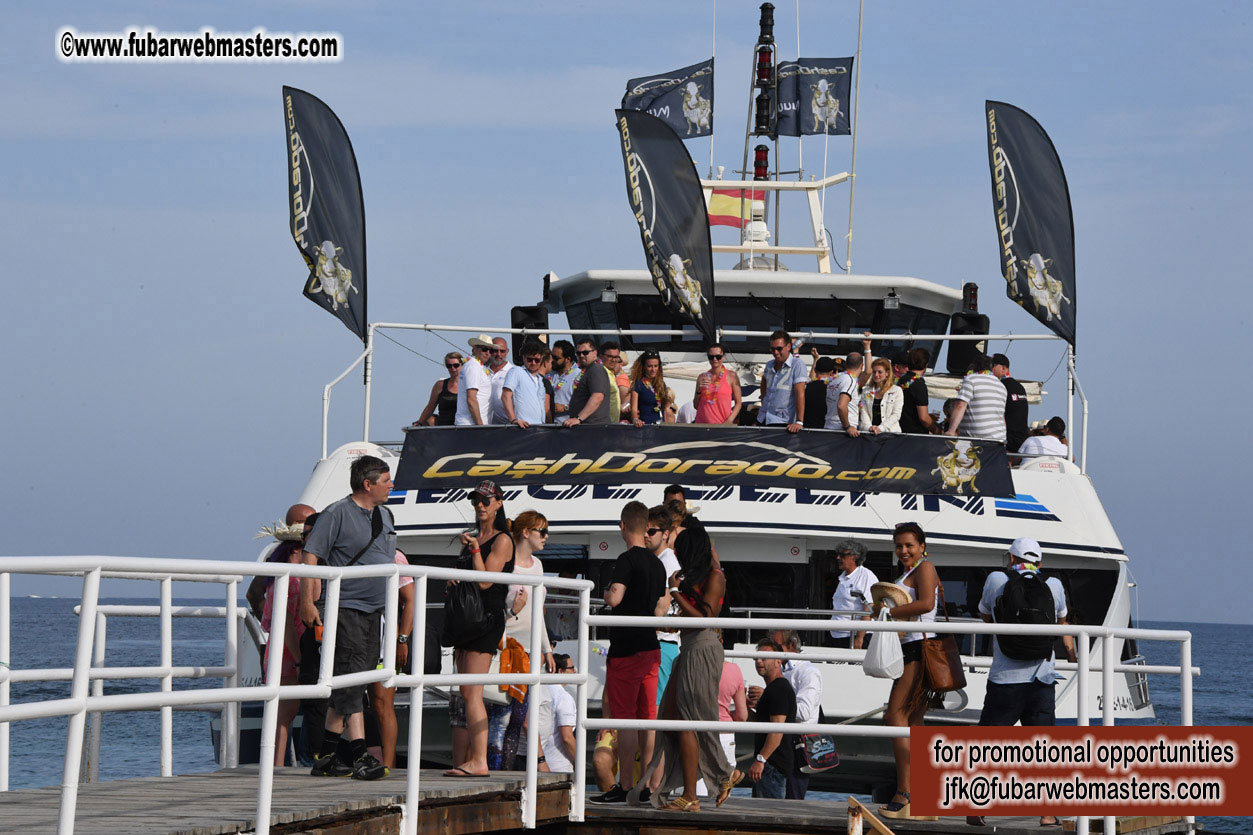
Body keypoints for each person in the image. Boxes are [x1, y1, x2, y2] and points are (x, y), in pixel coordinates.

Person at [300, 455, 396, 781]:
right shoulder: (336, 513)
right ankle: (359, 755)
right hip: (346, 607)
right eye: (386, 480)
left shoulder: (386, 515)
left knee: (354, 679)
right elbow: (310, 555)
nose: (391, 485)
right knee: (352, 680)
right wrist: (307, 601)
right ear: (367, 484)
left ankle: (326, 757)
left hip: (375, 609)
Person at [970, 538, 1076, 828]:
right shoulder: (1053, 584)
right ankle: (1046, 813)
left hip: (1005, 678)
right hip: (1042, 677)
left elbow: (985, 615)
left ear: (1010, 559)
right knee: (1044, 748)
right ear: (1039, 563)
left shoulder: (996, 579)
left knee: (988, 744)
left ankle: (976, 807)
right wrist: (1071, 653)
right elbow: (1062, 623)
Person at [645, 524, 739, 812]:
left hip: (702, 648)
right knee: (673, 716)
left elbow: (705, 616)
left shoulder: (715, 577)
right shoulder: (695, 578)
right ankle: (721, 775)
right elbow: (690, 616)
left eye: (681, 550)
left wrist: (675, 592)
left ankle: (692, 795)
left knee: (687, 720)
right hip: (688, 646)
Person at [592, 501, 668, 804]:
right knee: (647, 718)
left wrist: (610, 590)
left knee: (624, 719)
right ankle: (647, 784)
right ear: (645, 525)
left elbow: (615, 599)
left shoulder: (625, 560)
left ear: (623, 526)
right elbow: (660, 608)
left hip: (625, 649)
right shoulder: (657, 563)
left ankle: (624, 786)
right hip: (651, 648)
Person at [446, 480, 516, 777]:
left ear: (499, 503)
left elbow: (487, 581)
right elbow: (470, 578)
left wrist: (474, 551)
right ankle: (474, 759)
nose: (480, 505)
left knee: (473, 693)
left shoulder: (503, 540)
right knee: (466, 692)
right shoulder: (474, 537)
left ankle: (479, 761)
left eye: (486, 500)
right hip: (467, 617)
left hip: (485, 618)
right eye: (476, 500)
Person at [874, 521, 941, 819]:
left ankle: (906, 792)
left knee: (895, 716)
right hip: (911, 650)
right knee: (913, 722)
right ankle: (923, 796)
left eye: (909, 545)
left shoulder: (924, 568)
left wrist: (889, 613)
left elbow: (926, 604)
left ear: (922, 546)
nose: (903, 550)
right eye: (899, 545)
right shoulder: (909, 572)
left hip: (918, 651)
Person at [486, 510, 555, 771]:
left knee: (519, 715)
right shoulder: (507, 563)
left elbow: (538, 611)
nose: (546, 537)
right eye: (542, 531)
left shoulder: (537, 566)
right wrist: (513, 610)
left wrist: (546, 648)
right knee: (501, 714)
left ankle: (504, 768)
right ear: (526, 533)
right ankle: (493, 768)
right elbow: (493, 612)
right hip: (507, 647)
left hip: (529, 649)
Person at [261, 517, 309, 766]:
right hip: (289, 652)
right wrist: (300, 658)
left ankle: (275, 763)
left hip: (277, 649)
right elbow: (289, 623)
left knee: (281, 713)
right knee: (285, 714)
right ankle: (277, 764)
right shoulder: (292, 581)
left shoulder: (275, 580)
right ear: (294, 551)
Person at [369, 549, 415, 769]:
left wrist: (402, 639)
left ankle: (388, 764)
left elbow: (410, 600)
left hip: (385, 640)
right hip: (359, 634)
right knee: (356, 701)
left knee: (382, 702)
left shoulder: (395, 556)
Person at [765, 630, 821, 800]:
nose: (773, 651)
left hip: (797, 745)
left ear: (791, 645)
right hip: (782, 742)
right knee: (773, 797)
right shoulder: (782, 669)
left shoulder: (808, 671)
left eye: (777, 646)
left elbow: (804, 713)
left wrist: (774, 701)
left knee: (792, 798)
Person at [247, 503, 315, 619]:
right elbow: (253, 594)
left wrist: (271, 624)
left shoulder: (275, 558)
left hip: (283, 632)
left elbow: (254, 594)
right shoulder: (308, 556)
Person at [747, 637, 796, 799]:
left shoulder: (779, 689)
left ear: (778, 661)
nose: (759, 661)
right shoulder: (773, 689)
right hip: (771, 766)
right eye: (756, 658)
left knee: (767, 816)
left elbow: (777, 730)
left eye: (764, 658)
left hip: (772, 766)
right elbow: (763, 724)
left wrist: (761, 760)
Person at [647, 506, 682, 706]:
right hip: (662, 644)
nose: (646, 535)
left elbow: (664, 604)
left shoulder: (666, 561)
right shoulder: (659, 560)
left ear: (665, 534)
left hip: (662, 643)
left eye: (651, 531)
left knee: (655, 709)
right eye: (645, 530)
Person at [945, 354, 1008, 441]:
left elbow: (960, 405)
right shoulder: (1001, 386)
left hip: (977, 439)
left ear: (974, 367)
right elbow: (1001, 415)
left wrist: (951, 431)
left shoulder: (971, 379)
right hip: (999, 439)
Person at [828, 541, 877, 649]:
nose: (838, 557)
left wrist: (860, 638)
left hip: (853, 637)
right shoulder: (843, 577)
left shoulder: (866, 576)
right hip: (837, 636)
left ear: (854, 557)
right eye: (837, 554)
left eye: (842, 555)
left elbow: (868, 609)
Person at [757, 331, 807, 433]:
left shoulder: (797, 364)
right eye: (772, 349)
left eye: (779, 348)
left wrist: (799, 421)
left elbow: (800, 394)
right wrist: (764, 403)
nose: (775, 352)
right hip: (763, 418)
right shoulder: (769, 365)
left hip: (783, 421)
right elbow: (764, 385)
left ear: (788, 347)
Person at [563, 338, 615, 426]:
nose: (581, 355)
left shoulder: (596, 370)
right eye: (578, 353)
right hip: (588, 427)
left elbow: (598, 396)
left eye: (585, 352)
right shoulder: (589, 371)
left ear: (595, 353)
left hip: (593, 428)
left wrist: (578, 418)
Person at [825, 335, 872, 434]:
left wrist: (867, 346)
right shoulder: (850, 381)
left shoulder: (834, 379)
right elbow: (841, 405)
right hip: (842, 430)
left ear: (846, 365)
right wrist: (847, 426)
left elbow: (868, 372)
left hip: (829, 427)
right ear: (861, 366)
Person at [540, 654, 579, 774]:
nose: (575, 671)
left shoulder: (540, 690)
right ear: (561, 671)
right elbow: (567, 737)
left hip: (540, 761)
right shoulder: (564, 697)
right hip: (559, 766)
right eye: (571, 668)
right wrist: (580, 761)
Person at [501, 340, 549, 428]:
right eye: (529, 359)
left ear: (541, 358)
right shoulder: (516, 371)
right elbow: (505, 396)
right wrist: (514, 420)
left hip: (539, 427)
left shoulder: (541, 380)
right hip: (522, 427)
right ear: (523, 358)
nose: (533, 363)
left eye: (537, 360)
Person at [694, 343, 742, 425]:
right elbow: (695, 406)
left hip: (722, 425)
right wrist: (699, 390)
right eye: (711, 357)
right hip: (701, 425)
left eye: (718, 357)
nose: (715, 359)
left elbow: (738, 403)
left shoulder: (731, 376)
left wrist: (729, 421)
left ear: (723, 357)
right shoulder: (702, 377)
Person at [991, 353, 1030, 451]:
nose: (989, 370)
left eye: (992, 366)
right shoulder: (1020, 387)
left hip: (1007, 440)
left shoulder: (999, 386)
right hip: (1022, 440)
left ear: (1003, 368)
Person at [717, 650, 748, 771]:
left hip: (695, 732)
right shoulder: (734, 669)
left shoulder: (689, 665)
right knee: (723, 785)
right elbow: (742, 716)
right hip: (725, 732)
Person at [414, 351, 463, 427]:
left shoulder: (468, 385)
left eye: (456, 365)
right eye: (449, 366)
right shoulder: (440, 385)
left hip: (461, 427)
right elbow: (430, 407)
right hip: (442, 429)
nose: (452, 368)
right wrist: (419, 423)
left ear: (462, 365)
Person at [897, 348, 938, 435]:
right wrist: (937, 430)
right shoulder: (919, 385)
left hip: (898, 432)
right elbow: (924, 418)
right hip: (914, 436)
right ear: (926, 365)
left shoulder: (900, 381)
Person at [455, 335, 494, 426]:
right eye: (484, 349)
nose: (488, 353)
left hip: (474, 424)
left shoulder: (479, 366)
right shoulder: (473, 366)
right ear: (475, 349)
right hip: (471, 425)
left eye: (490, 350)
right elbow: (471, 399)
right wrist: (480, 426)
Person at [629, 351, 675, 426]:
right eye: (649, 366)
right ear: (644, 367)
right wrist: (635, 419)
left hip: (660, 426)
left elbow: (665, 407)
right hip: (646, 426)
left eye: (656, 366)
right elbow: (633, 409)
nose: (653, 369)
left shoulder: (661, 384)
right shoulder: (638, 385)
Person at [858, 357, 904, 434]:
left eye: (880, 372)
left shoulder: (896, 391)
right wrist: (869, 427)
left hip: (890, 434)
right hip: (869, 433)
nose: (876, 375)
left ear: (887, 373)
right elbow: (863, 411)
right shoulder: (866, 391)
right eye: (874, 372)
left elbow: (896, 414)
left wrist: (880, 428)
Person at [547, 339, 579, 419]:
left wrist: (564, 407)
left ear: (568, 359)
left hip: (569, 425)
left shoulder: (579, 375)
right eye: (551, 356)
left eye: (556, 358)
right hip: (548, 424)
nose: (552, 360)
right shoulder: (548, 373)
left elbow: (585, 403)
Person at [600, 341, 632, 420]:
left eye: (616, 358)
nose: (614, 360)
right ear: (601, 356)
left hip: (612, 422)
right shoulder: (602, 374)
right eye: (610, 357)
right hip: (605, 423)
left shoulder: (616, 377)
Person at [487, 337, 516, 425]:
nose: (499, 354)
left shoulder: (514, 371)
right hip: (485, 424)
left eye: (502, 351)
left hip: (507, 425)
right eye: (495, 351)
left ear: (507, 351)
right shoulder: (482, 370)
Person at [803, 356, 837, 429]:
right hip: (827, 430)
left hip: (806, 430)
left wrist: (815, 359)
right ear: (831, 372)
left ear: (815, 370)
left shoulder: (805, 387)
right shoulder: (834, 389)